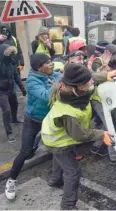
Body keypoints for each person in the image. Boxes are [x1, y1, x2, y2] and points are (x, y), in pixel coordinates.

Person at [42, 63, 116, 210]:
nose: (91, 83)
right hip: (58, 143)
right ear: (78, 87)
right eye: (88, 82)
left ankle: (54, 180)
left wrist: (104, 76)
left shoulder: (73, 92)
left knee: (59, 159)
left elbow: (89, 78)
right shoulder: (69, 112)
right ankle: (68, 206)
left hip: (53, 137)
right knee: (73, 173)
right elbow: (79, 135)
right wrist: (101, 134)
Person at [5, 53, 60, 200]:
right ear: (39, 67)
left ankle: (57, 175)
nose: (51, 64)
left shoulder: (53, 75)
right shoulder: (32, 81)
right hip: (33, 120)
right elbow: (46, 95)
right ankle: (11, 180)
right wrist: (60, 84)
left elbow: (65, 78)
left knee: (59, 147)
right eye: (48, 63)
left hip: (50, 119)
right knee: (25, 152)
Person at [90, 44, 116, 163]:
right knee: (110, 127)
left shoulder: (113, 62)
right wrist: (104, 66)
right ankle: (114, 157)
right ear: (110, 53)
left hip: (106, 97)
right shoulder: (97, 62)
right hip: (98, 99)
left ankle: (96, 147)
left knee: (106, 123)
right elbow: (95, 78)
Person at [0, 44, 26, 143]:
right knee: (6, 110)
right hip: (1, 91)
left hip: (10, 88)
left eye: (12, 53)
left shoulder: (12, 63)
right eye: (9, 54)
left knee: (14, 104)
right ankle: (9, 132)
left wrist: (22, 88)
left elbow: (16, 76)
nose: (11, 56)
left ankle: (14, 119)